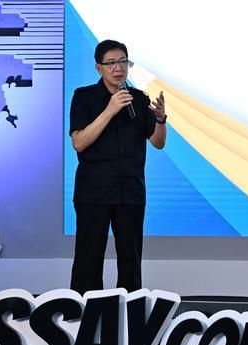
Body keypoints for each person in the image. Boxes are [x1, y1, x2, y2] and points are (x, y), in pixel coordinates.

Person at [69, 39, 167, 295]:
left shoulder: (138, 99)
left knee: (131, 262)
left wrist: (160, 120)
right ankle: (86, 312)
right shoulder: (84, 97)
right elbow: (79, 142)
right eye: (111, 63)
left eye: (123, 62)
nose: (118, 68)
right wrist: (110, 110)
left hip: (131, 192)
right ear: (99, 67)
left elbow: (158, 142)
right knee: (88, 259)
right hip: (94, 192)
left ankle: (130, 313)